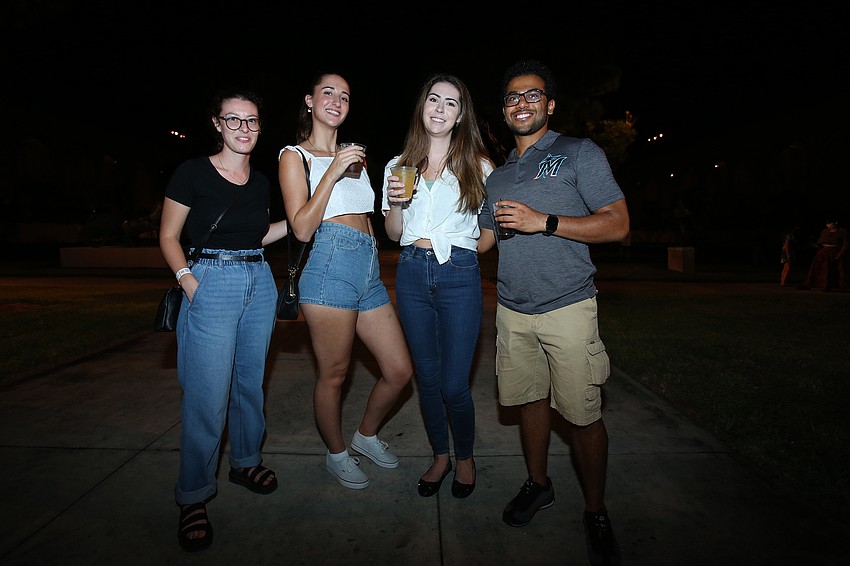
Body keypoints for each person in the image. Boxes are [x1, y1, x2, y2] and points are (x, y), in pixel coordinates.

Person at [477, 60, 629, 566]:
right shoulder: (497, 178)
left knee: (583, 416)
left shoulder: (577, 153)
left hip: (568, 306)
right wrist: (417, 220)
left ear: (550, 104)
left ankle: (595, 510)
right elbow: (482, 241)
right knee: (529, 402)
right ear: (504, 111)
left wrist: (546, 221)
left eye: (533, 95)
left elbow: (617, 225)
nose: (522, 103)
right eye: (513, 97)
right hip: (512, 310)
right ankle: (538, 484)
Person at [159, 87, 289, 552]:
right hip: (210, 280)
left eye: (252, 121)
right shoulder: (192, 172)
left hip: (258, 279)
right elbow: (169, 235)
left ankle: (245, 461)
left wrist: (296, 220)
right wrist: (190, 283)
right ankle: (193, 493)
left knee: (249, 384)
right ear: (217, 123)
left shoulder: (259, 182)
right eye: (234, 120)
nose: (244, 129)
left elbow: (259, 233)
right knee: (207, 394)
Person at [278, 72, 413, 490]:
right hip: (328, 265)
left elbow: (366, 214)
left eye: (345, 96)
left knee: (399, 370)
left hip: (368, 265)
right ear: (309, 100)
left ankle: (366, 436)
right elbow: (301, 228)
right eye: (328, 93)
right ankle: (336, 454)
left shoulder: (357, 155)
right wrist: (332, 171)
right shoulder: (293, 156)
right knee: (334, 374)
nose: (337, 100)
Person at [381, 74, 494, 499]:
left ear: (461, 114)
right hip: (410, 270)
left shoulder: (480, 166)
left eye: (451, 103)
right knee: (426, 380)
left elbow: (491, 230)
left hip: (459, 273)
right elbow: (393, 233)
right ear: (422, 107)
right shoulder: (398, 165)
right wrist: (395, 203)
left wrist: (464, 257)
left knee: (453, 385)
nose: (440, 108)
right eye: (434, 99)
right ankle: (440, 455)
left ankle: (464, 456)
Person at [799, 219, 848, 291]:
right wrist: (816, 245)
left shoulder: (843, 231)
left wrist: (840, 254)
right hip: (823, 252)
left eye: (830, 223)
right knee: (818, 268)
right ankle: (815, 284)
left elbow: (845, 244)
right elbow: (820, 241)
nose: (828, 225)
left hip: (834, 251)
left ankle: (829, 286)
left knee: (831, 269)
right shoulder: (825, 231)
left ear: (835, 223)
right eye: (827, 223)